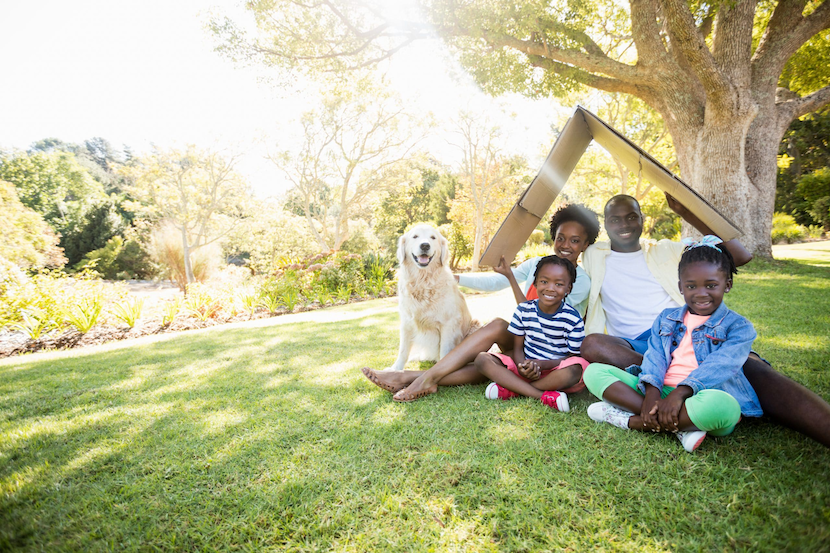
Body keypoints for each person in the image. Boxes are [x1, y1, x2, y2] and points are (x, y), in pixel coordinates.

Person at [580, 194, 830, 449]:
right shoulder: (593, 254)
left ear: (643, 219)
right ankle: (676, 404)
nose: (624, 224)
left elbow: (738, 257)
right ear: (606, 223)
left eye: (632, 216)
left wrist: (688, 212)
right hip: (637, 346)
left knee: (750, 369)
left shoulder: (664, 249)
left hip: (687, 334)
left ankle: (653, 410)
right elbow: (563, 257)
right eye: (615, 219)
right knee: (592, 345)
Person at [361, 204, 601, 402]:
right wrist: (455, 278)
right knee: (495, 330)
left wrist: (511, 278)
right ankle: (420, 378)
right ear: (553, 238)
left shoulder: (579, 282)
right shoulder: (537, 263)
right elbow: (495, 283)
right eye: (561, 238)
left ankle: (414, 378)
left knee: (484, 368)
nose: (565, 245)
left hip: (551, 351)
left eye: (575, 241)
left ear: (585, 245)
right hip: (523, 343)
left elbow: (535, 312)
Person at [583, 237, 760, 452]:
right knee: (593, 372)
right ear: (680, 287)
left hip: (701, 395)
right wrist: (652, 393)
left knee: (727, 408)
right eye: (691, 286)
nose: (701, 293)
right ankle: (681, 425)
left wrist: (680, 393)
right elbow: (655, 356)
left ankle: (629, 420)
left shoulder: (739, 326)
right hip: (661, 392)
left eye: (711, 285)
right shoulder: (667, 318)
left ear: (727, 284)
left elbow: (722, 364)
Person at [475, 255, 589, 412]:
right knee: (482, 359)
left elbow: (573, 356)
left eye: (559, 284)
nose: (550, 288)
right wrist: (522, 365)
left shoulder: (572, 318)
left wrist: (543, 365)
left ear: (568, 289)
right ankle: (541, 395)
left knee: (577, 368)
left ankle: (513, 389)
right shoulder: (524, 310)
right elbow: (517, 348)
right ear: (535, 283)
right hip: (526, 367)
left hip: (555, 372)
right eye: (544, 281)